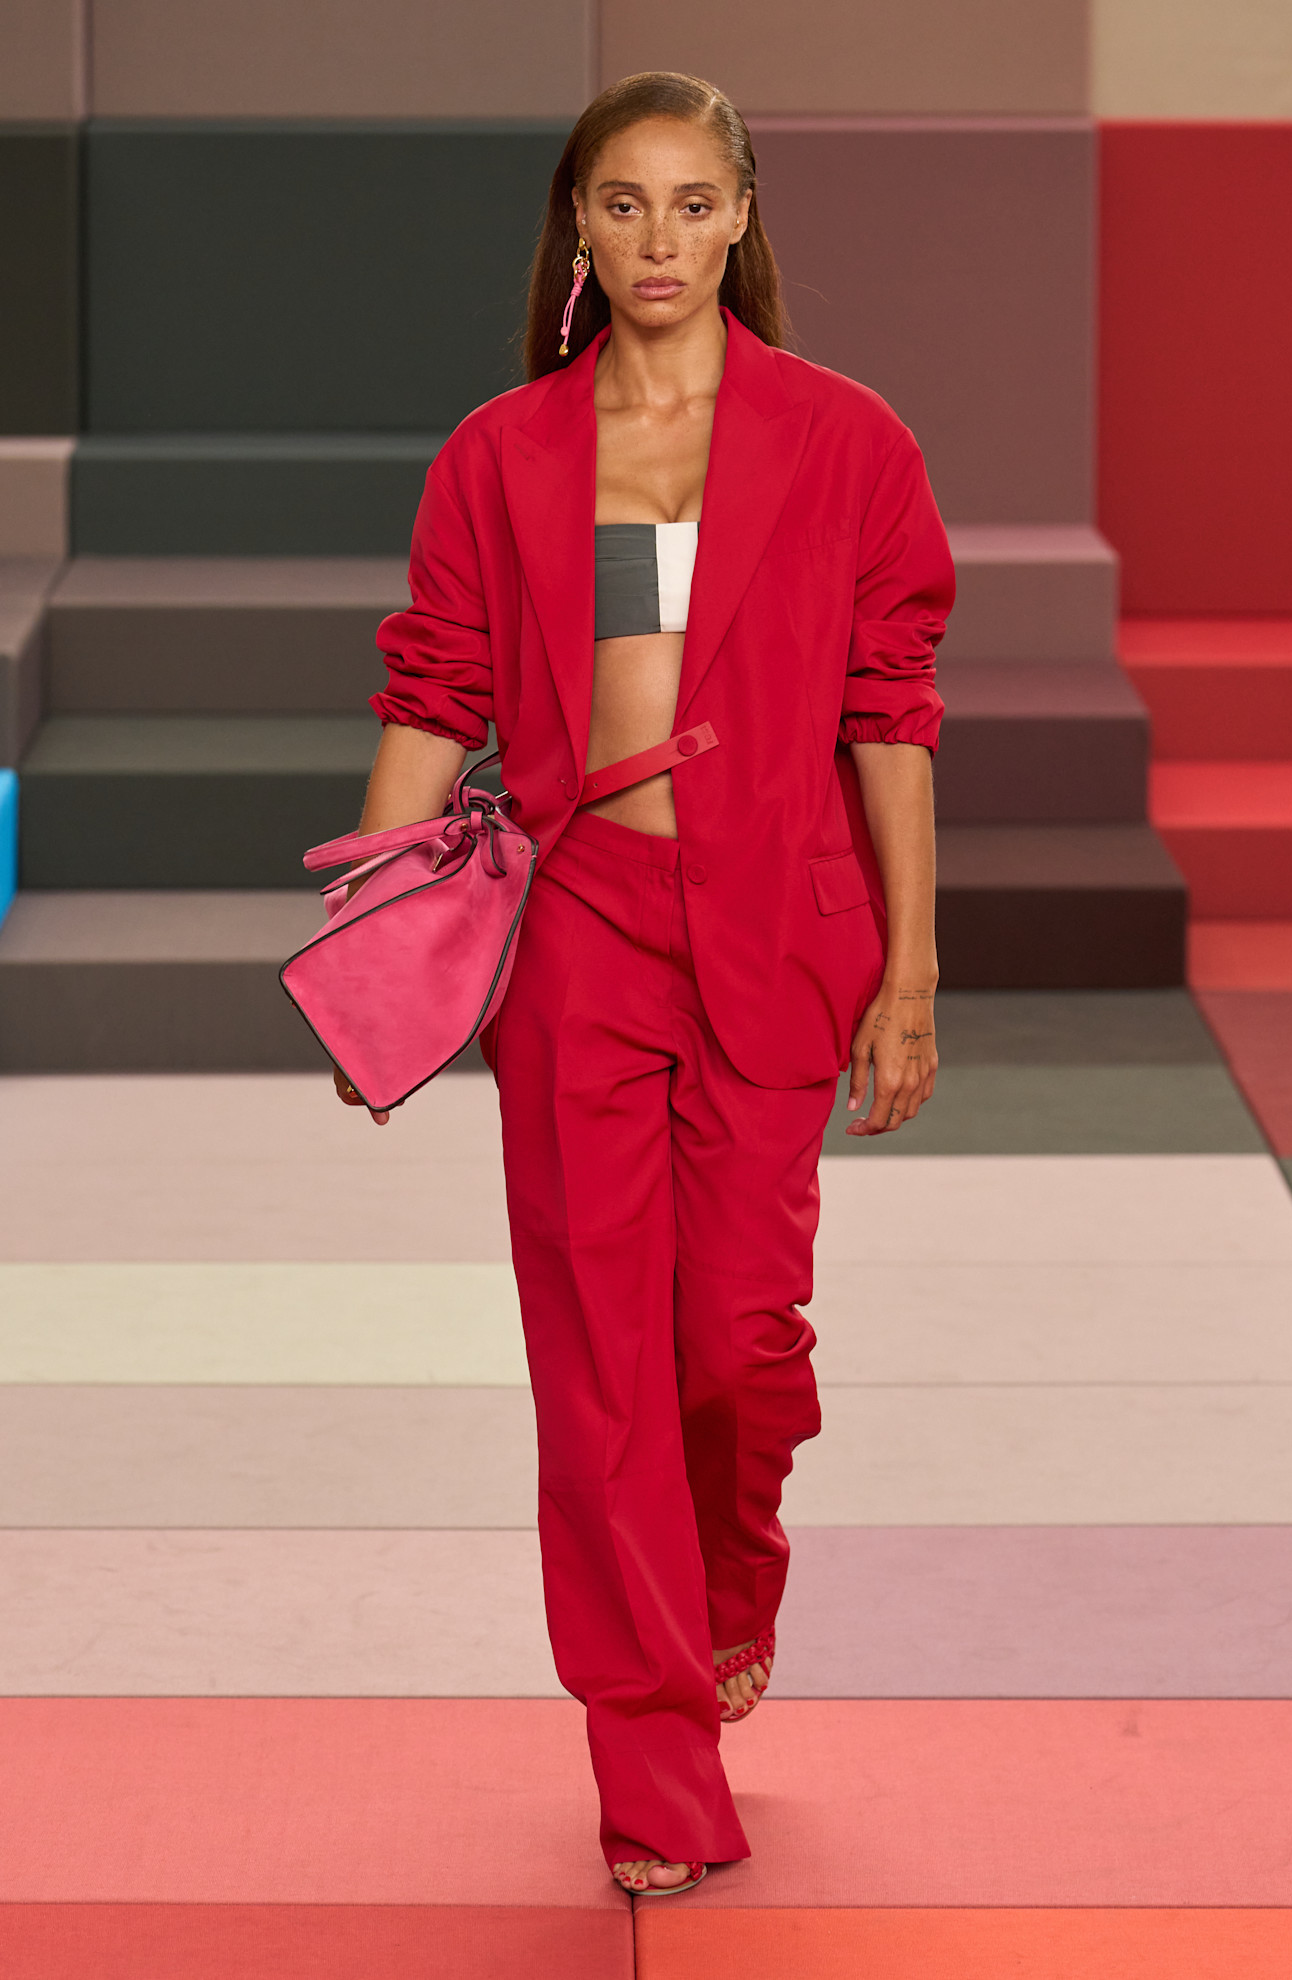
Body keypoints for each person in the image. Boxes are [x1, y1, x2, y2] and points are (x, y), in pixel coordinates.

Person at [340, 71, 953, 1897]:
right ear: (580, 227)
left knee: (737, 1341)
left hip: (781, 921)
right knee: (598, 1359)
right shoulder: (505, 451)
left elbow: (890, 713)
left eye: (694, 203)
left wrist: (914, 970)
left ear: (744, 215)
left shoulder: (848, 441)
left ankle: (729, 1575)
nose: (660, 238)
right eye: (624, 205)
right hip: (582, 926)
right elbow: (437, 689)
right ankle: (656, 1761)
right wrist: (367, 948)